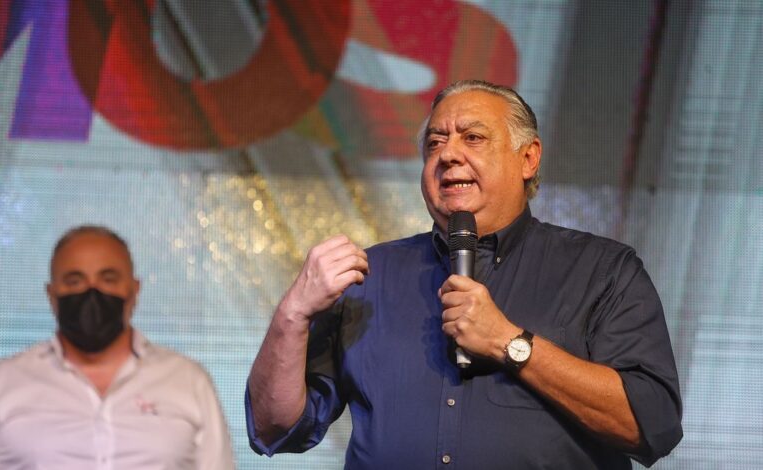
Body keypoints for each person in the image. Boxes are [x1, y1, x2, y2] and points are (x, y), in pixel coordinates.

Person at [245, 80, 683, 468]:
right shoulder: (369, 277)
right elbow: (275, 429)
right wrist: (292, 315)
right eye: (435, 143)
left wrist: (509, 343)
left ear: (528, 158)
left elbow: (652, 425)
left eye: (473, 138)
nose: (449, 154)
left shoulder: (602, 271)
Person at [0, 226, 235, 469]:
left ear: (134, 290)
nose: (92, 292)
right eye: (74, 281)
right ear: (52, 294)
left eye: (108, 279)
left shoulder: (188, 380)